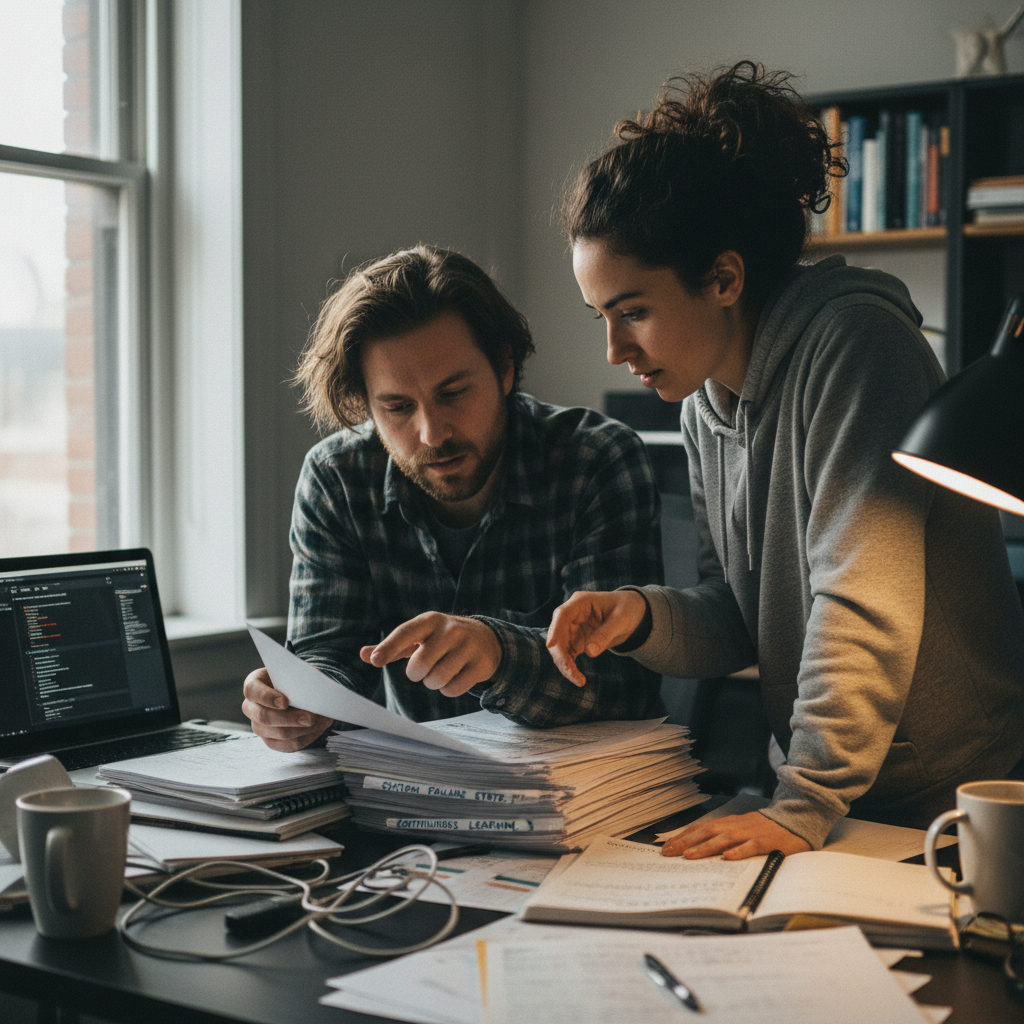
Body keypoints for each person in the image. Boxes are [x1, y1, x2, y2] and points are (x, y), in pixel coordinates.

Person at [546, 61, 1024, 859]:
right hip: (836, 803)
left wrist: (799, 802)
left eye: (633, 312)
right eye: (601, 315)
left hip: (947, 807)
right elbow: (741, 620)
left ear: (724, 278)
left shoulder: (859, 346)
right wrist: (641, 616)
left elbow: (860, 601)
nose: (614, 348)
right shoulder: (704, 405)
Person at [243, 244, 664, 751]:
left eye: (454, 393)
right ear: (368, 408)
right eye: (397, 407)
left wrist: (499, 654)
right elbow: (329, 655)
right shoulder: (337, 479)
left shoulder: (595, 459)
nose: (431, 434)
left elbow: (623, 689)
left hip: (586, 799)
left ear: (504, 369)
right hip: (416, 792)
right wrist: (299, 705)